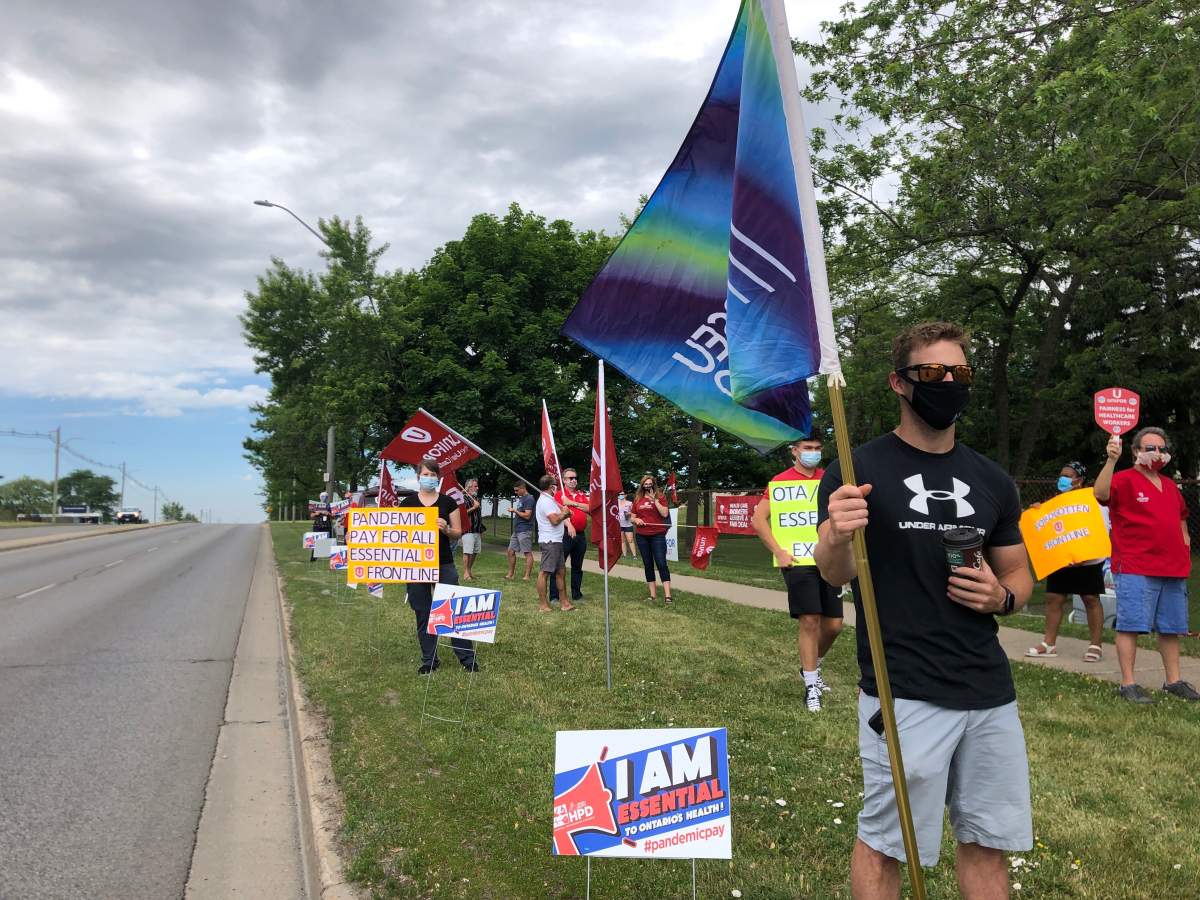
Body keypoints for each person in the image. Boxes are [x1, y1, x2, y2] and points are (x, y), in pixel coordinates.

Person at [816, 322, 1033, 899]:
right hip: (903, 690)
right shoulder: (854, 469)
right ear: (899, 383)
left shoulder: (991, 479)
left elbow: (1018, 572)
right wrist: (838, 534)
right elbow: (833, 572)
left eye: (959, 373)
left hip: (988, 690)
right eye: (933, 373)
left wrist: (1003, 596)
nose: (949, 383)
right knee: (888, 844)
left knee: (987, 843)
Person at [1095, 427, 1198, 703]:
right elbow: (1100, 493)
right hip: (1135, 566)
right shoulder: (1123, 479)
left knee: (1171, 627)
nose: (1158, 453)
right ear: (1136, 452)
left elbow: (1181, 517)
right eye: (1150, 448)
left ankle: (1173, 680)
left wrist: (1185, 538)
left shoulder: (1169, 486)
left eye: (1162, 448)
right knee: (1130, 625)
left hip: (1173, 568)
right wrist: (1110, 460)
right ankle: (1128, 684)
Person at [752, 434, 844, 712]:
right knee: (810, 619)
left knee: (834, 625)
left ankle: (812, 666)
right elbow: (758, 519)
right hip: (797, 560)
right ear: (795, 451)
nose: (813, 453)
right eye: (808, 448)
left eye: (817, 449)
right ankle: (811, 686)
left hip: (828, 558)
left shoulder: (828, 479)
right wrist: (779, 551)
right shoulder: (780, 482)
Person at [398, 458, 478, 675]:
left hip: (443, 562)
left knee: (452, 609)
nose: (429, 478)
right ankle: (429, 659)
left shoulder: (447, 502)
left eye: (433, 475)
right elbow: (395, 536)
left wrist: (445, 530)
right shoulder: (407, 504)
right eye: (426, 474)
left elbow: (458, 532)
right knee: (423, 612)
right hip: (416, 565)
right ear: (418, 477)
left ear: (438, 478)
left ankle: (467, 658)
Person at [1025, 461, 1106, 663]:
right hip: (1061, 558)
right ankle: (1048, 643)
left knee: (1090, 599)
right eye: (1062, 475)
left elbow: (1099, 527)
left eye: (1068, 476)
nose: (1063, 479)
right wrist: (1038, 511)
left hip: (1087, 560)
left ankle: (1095, 645)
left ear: (1079, 480)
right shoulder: (1055, 503)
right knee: (1054, 598)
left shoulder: (1091, 499)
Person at [535, 473, 576, 612]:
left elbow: (558, 516)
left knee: (560, 572)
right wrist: (565, 514)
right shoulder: (545, 501)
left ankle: (565, 603)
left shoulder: (550, 500)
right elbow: (554, 520)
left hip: (557, 541)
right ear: (551, 487)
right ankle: (543, 605)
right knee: (545, 572)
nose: (557, 488)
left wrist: (565, 513)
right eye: (555, 486)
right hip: (550, 541)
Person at [550, 467, 589, 604]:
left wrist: (572, 502)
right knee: (559, 565)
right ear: (564, 480)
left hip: (580, 536)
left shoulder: (581, 495)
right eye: (570, 478)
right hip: (565, 534)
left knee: (577, 566)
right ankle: (554, 596)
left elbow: (589, 508)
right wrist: (569, 524)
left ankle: (576, 595)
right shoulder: (559, 494)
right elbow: (559, 511)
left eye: (575, 478)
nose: (573, 480)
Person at [631, 474, 673, 603]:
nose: (647, 486)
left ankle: (668, 596)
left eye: (650, 484)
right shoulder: (638, 499)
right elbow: (632, 517)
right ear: (642, 485)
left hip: (657, 535)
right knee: (648, 564)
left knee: (661, 563)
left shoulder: (661, 496)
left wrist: (655, 500)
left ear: (653, 484)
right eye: (645, 484)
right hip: (642, 536)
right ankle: (652, 595)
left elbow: (665, 513)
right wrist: (635, 519)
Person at [505, 481, 535, 580]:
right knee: (510, 551)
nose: (516, 492)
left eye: (517, 490)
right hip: (517, 530)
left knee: (527, 552)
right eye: (515, 491)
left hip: (525, 530)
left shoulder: (529, 499)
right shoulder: (522, 498)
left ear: (523, 488)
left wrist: (515, 511)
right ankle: (510, 574)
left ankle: (527, 576)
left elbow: (527, 515)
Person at [460, 477, 483, 581]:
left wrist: (481, 530)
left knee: (475, 552)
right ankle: (465, 574)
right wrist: (474, 507)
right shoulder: (463, 498)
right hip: (468, 529)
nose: (477, 488)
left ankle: (469, 571)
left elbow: (478, 516)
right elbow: (461, 514)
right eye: (475, 486)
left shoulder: (476, 499)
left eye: (477, 486)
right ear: (468, 487)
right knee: (468, 552)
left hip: (477, 530)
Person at [617, 490, 637, 557]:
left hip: (628, 524)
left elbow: (634, 512)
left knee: (630, 540)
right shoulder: (616, 503)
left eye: (622, 494)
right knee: (622, 540)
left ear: (625, 495)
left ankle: (634, 556)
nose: (620, 495)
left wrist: (629, 513)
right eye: (619, 494)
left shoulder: (630, 503)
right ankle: (624, 555)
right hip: (619, 524)